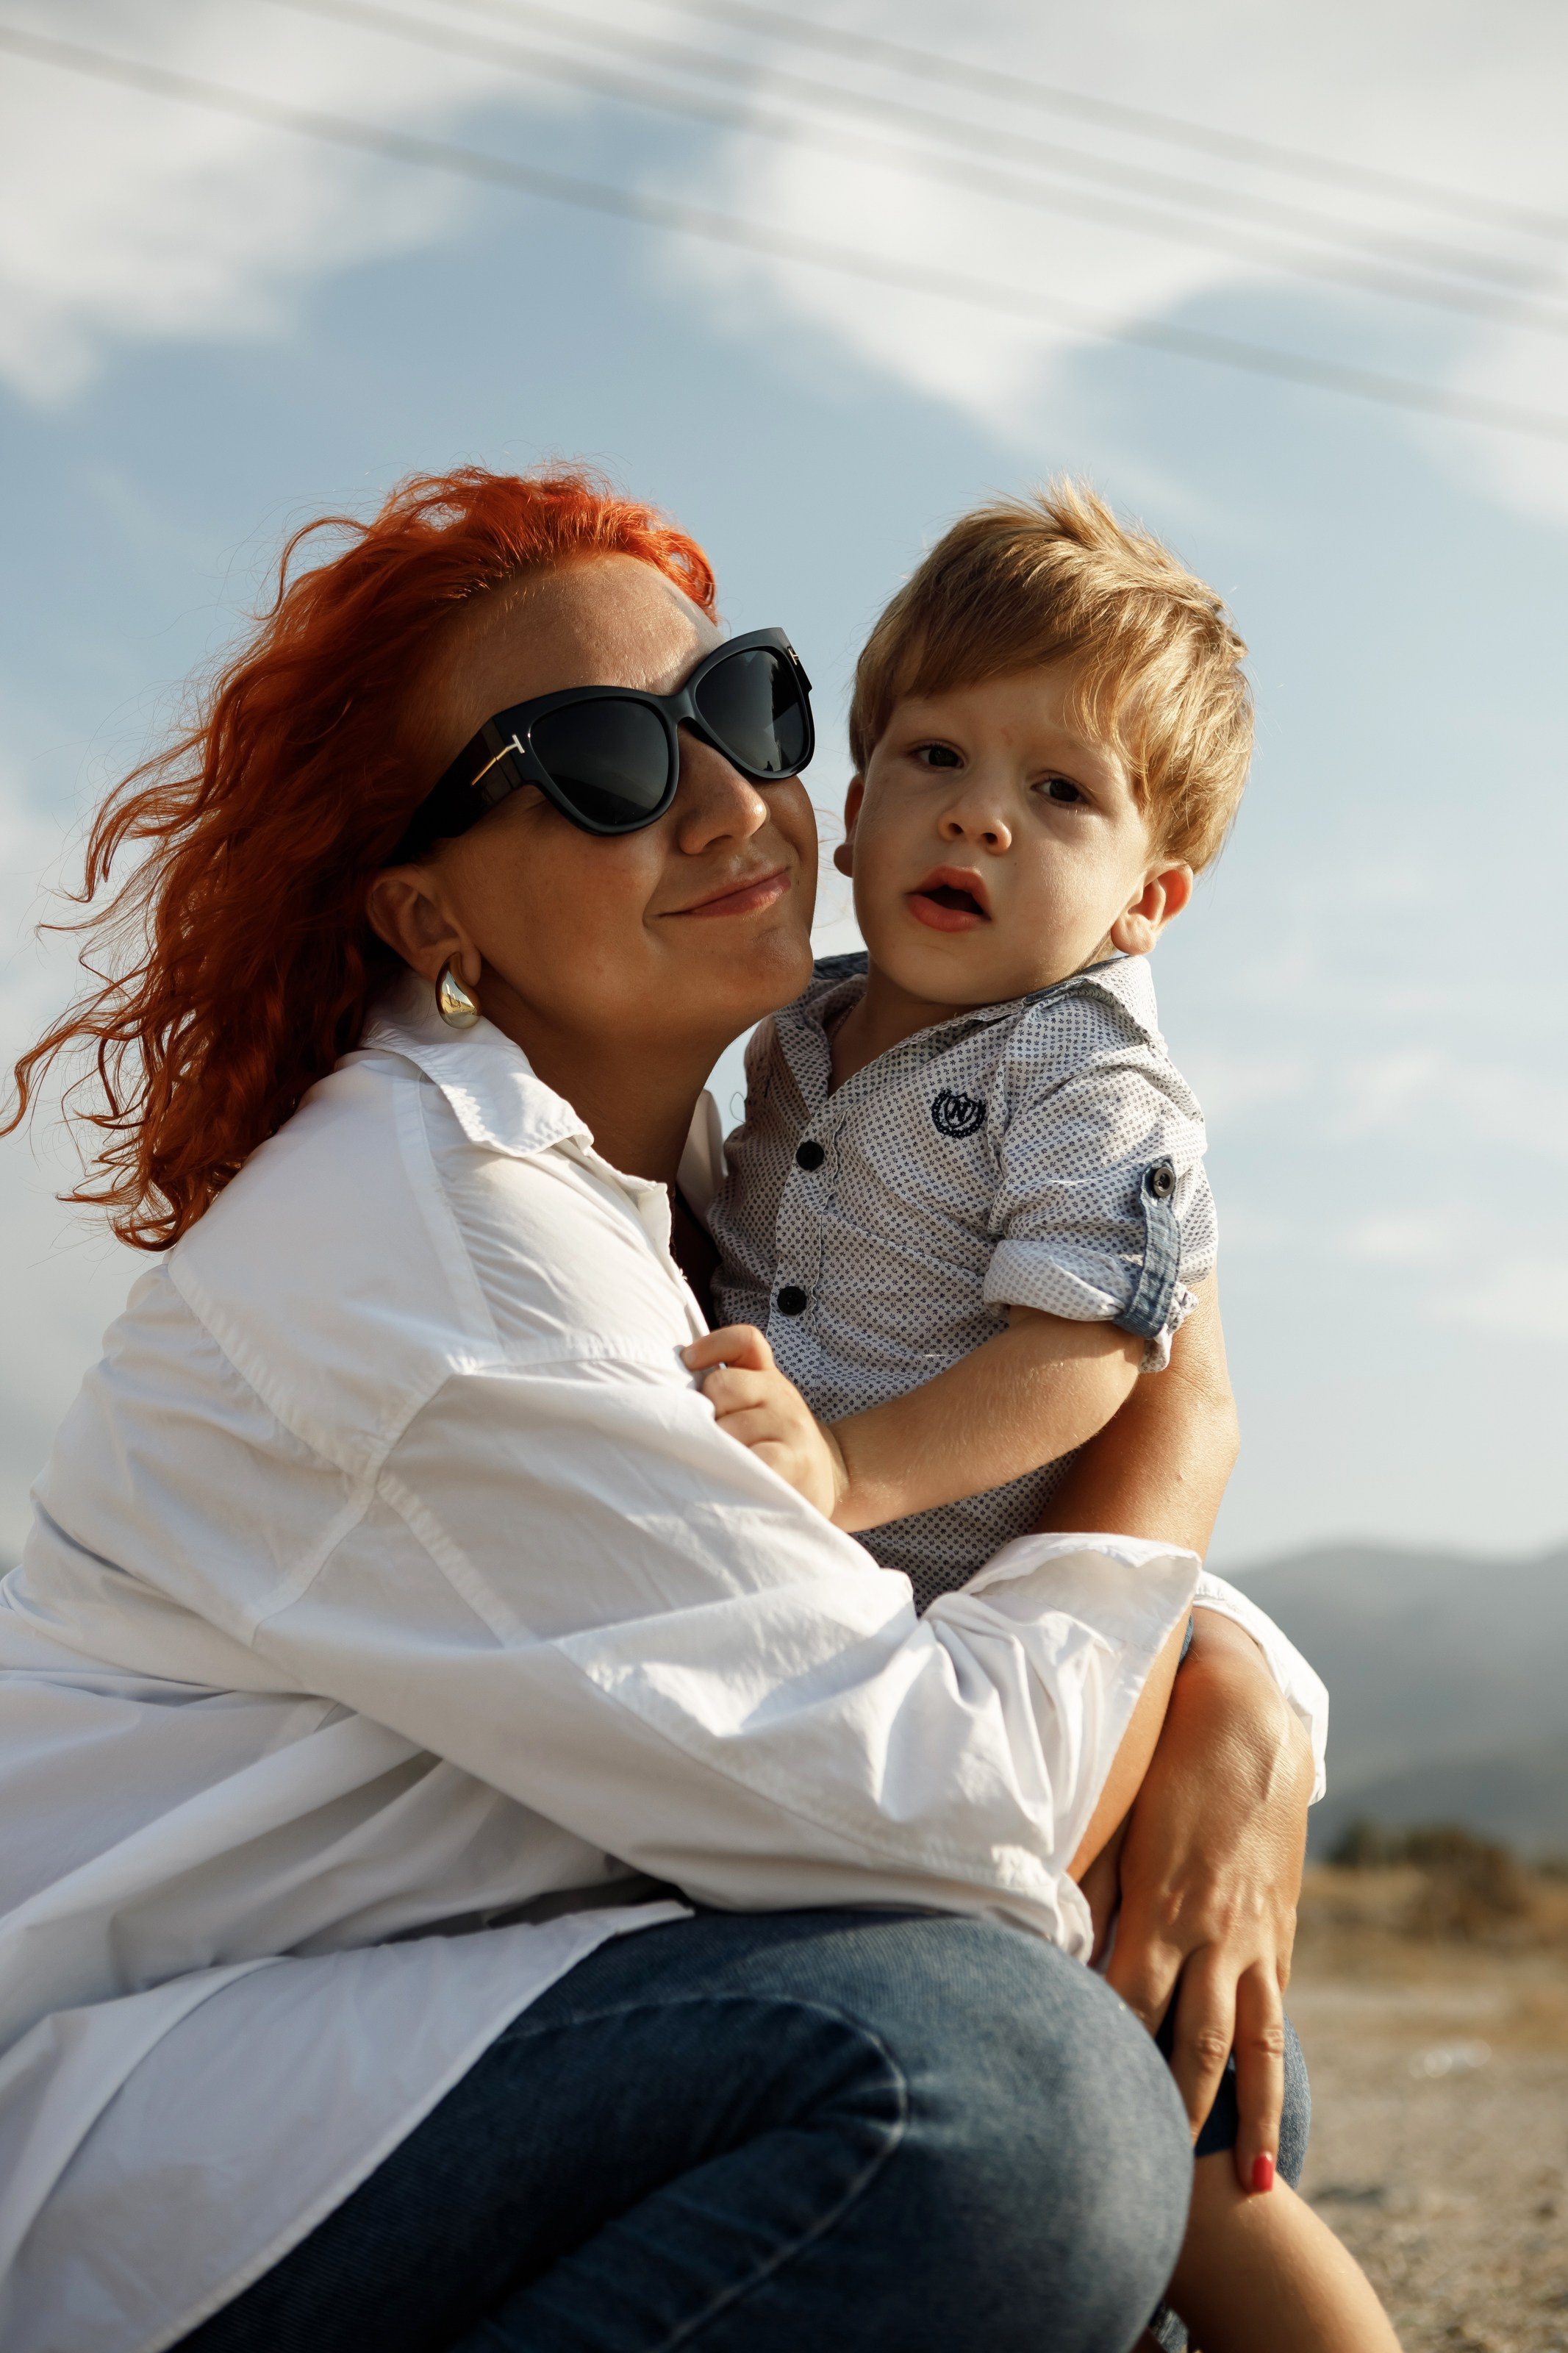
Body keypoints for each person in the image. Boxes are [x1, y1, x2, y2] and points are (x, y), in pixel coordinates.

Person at [0, 465, 1322, 2353]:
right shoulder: (437, 1245)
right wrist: (1178, 1434)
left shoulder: (690, 1189)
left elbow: (855, 1613)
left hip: (423, 2033)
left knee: (1184, 2018)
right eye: (601, 762)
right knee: (1002, 2101)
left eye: (741, 708)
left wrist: (1229, 1677)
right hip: (146, 2128)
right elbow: (956, 1827)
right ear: (424, 906)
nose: (724, 800)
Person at [691, 485, 1398, 2352]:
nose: (978, 814)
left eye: (1060, 794)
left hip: (1015, 1671)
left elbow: (1089, 1350)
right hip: (850, 1668)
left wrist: (851, 1469)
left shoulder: (1082, 1070)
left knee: (1168, 2131)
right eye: (931, 753)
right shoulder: (786, 1035)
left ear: (1147, 901)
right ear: (847, 811)